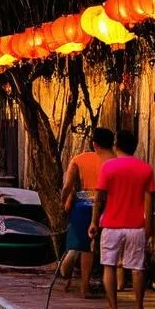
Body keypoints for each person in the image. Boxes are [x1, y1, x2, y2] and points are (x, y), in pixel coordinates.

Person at [89, 129, 155, 309]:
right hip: (136, 225)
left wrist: (94, 222)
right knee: (137, 267)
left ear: (116, 146)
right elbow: (149, 202)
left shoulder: (109, 168)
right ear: (135, 147)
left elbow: (99, 198)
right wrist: (149, 227)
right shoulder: (146, 169)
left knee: (109, 265)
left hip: (111, 224)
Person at [60, 127, 115, 297]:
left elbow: (68, 187)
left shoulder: (79, 159)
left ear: (94, 143)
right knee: (106, 248)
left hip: (83, 204)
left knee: (85, 247)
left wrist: (63, 202)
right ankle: (110, 286)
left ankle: (84, 287)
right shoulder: (116, 160)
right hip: (109, 204)